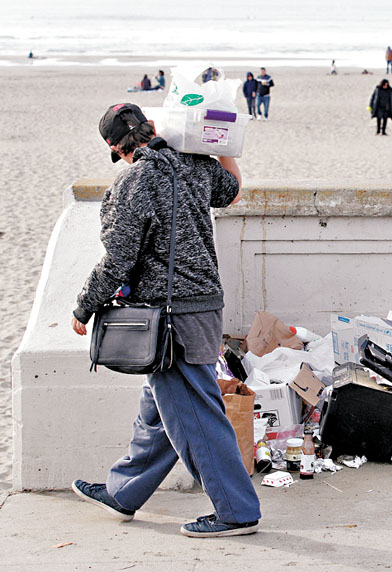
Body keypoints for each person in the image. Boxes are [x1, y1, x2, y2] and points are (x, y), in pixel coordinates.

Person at [70, 103, 261, 538]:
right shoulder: (195, 164)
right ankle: (123, 492)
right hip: (203, 307)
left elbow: (118, 259)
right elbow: (232, 190)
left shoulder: (134, 181)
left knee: (197, 419)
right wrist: (222, 144)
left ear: (117, 149)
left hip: (172, 320)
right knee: (158, 414)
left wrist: (84, 307)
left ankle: (236, 511)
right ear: (152, 126)